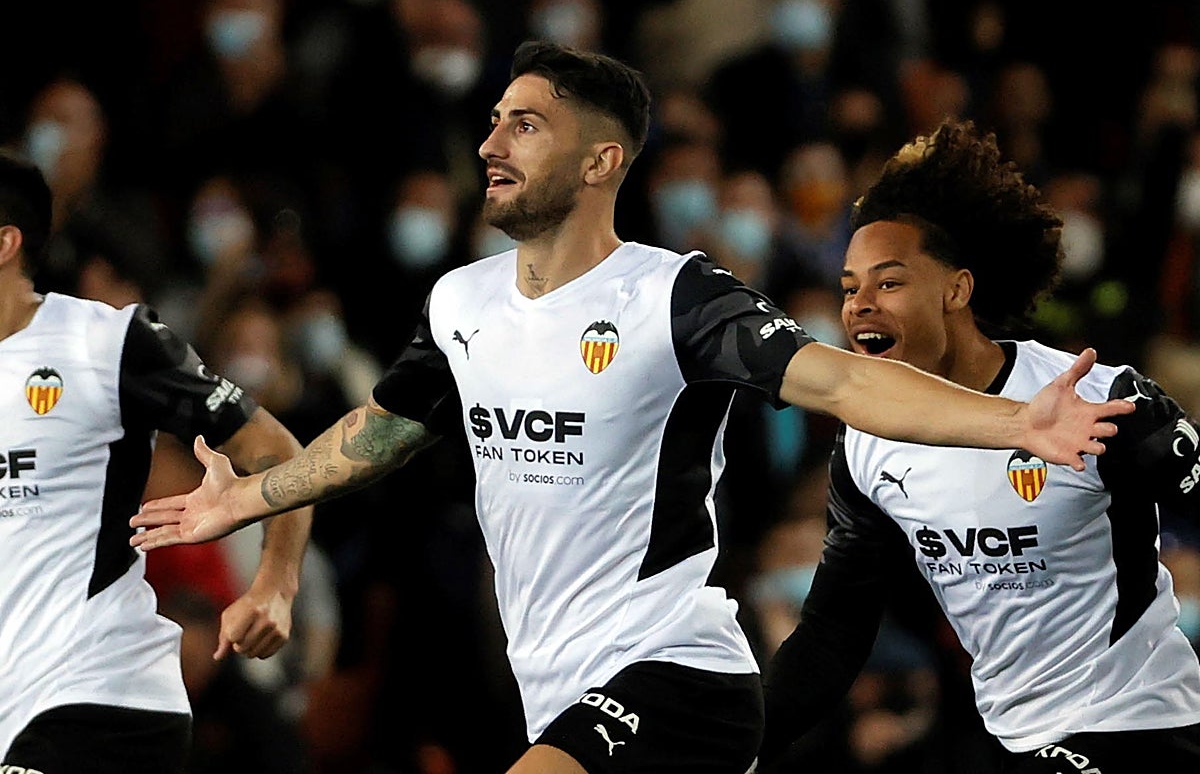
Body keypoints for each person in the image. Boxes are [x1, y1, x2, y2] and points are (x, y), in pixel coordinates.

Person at [130, 42, 1131, 774]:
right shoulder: (461, 301)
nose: (491, 143)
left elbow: (841, 379)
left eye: (526, 125)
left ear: (603, 161)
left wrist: (1013, 422)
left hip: (676, 673)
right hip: (550, 681)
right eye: (492, 122)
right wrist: (252, 494)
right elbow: (381, 432)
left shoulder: (675, 296)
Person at [756, 119, 1200, 773]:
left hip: (1139, 724)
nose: (859, 307)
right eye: (849, 288)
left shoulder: (1094, 397)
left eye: (889, 282)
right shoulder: (867, 445)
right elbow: (834, 633)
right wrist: (735, 744)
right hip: (1010, 737)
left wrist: (1168, 452)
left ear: (957, 290)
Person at [0, 151, 313, 773]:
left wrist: (276, 584)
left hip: (100, 695)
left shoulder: (105, 343)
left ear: (5, 242)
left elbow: (278, 450)